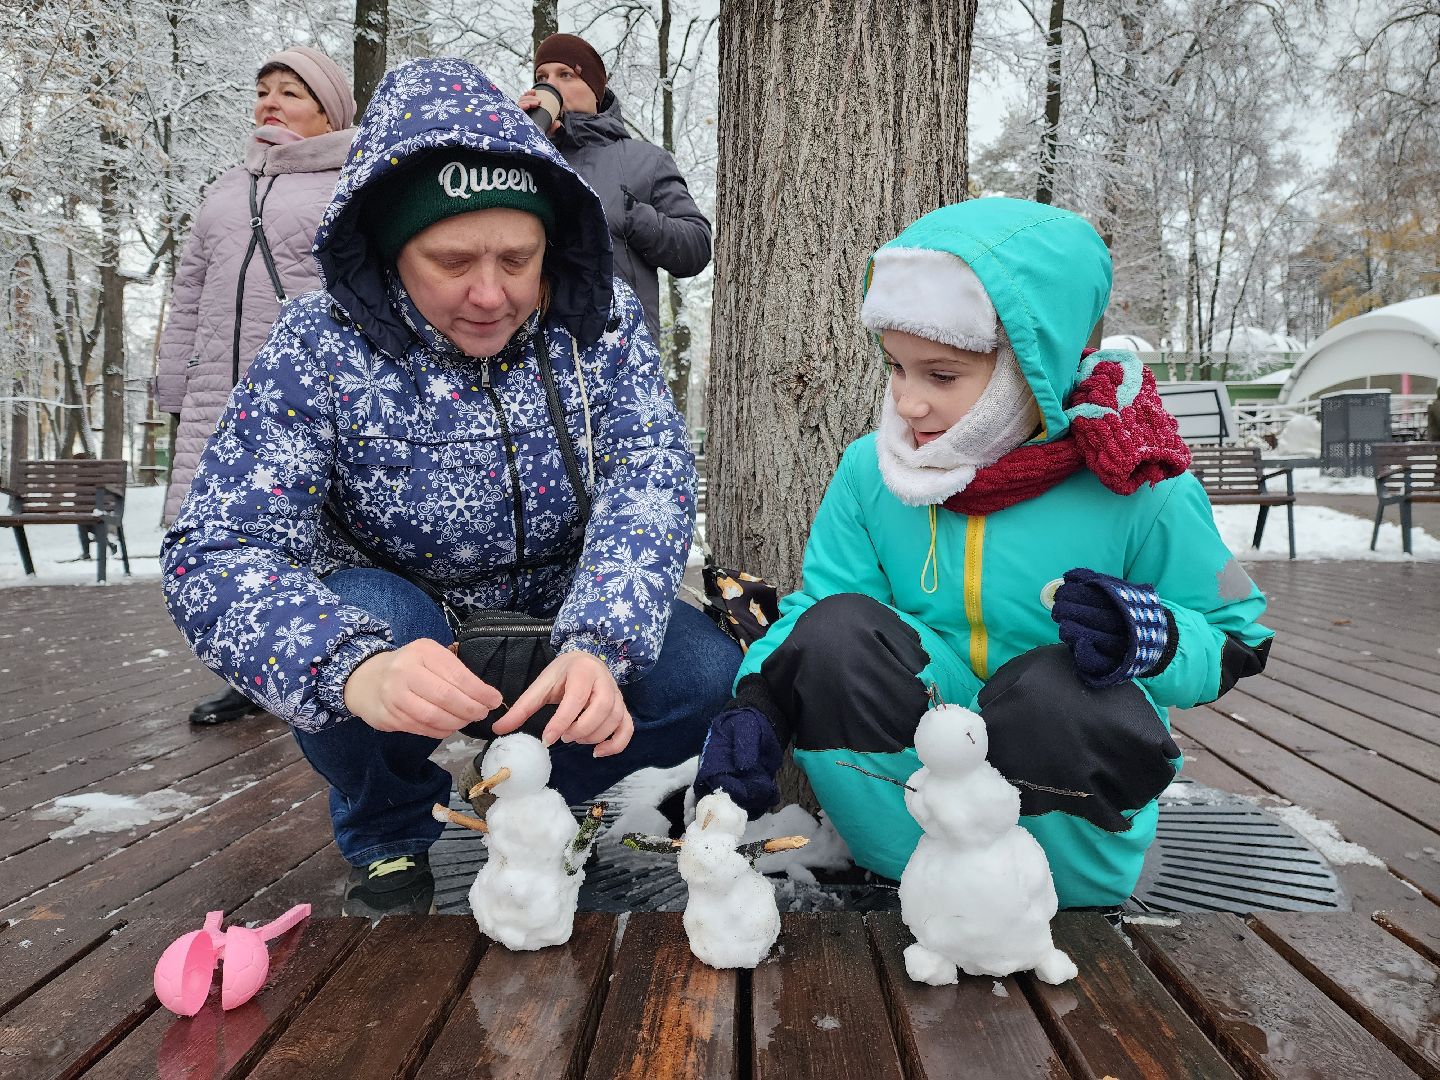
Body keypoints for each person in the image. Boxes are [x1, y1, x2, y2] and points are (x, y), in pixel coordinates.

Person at [160, 58, 740, 919]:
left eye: (518, 258)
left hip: (559, 604)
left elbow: (649, 473)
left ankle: (536, 797)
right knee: (366, 629)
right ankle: (388, 828)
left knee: (705, 671)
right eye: (452, 259)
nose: (490, 294)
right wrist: (352, 668)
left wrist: (602, 642)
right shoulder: (317, 341)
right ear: (392, 248)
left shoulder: (601, 319)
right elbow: (214, 549)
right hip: (404, 615)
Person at [691, 198, 1274, 911]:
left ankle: (1061, 888)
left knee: (1057, 688)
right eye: (896, 368)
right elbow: (820, 615)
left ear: (1031, 367)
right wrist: (758, 705)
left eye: (941, 376)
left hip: (1063, 838)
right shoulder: (872, 474)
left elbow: (1236, 638)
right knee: (835, 632)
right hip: (907, 835)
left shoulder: (1138, 485)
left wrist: (1150, 635)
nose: (908, 404)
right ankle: (907, 866)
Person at [155, 45, 358, 726]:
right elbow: (188, 293)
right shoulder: (224, 188)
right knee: (226, 531)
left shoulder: (349, 183)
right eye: (265, 90)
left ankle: (332, 663)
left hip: (302, 396)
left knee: (312, 528)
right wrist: (174, 385)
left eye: (292, 92)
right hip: (218, 391)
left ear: (329, 113)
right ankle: (248, 671)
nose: (271, 102)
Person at [517, 32, 711, 344]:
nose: (550, 84)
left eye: (565, 74)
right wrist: (514, 138)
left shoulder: (646, 161)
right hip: (534, 352)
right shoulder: (526, 159)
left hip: (622, 351)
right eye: (542, 77)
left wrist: (631, 215)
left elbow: (696, 248)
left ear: (595, 90)